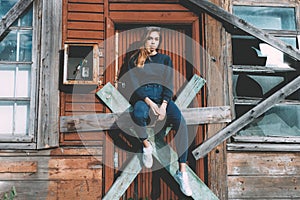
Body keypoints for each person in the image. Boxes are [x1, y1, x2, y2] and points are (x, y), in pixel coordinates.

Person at [118, 26, 192, 197]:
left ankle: (182, 171)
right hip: (143, 97)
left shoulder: (165, 59)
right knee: (138, 114)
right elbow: (135, 85)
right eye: (150, 38)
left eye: (156, 39)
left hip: (162, 97)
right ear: (145, 39)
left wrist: (164, 105)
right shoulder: (135, 59)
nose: (153, 42)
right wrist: (151, 104)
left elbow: (169, 83)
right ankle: (147, 146)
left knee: (181, 123)